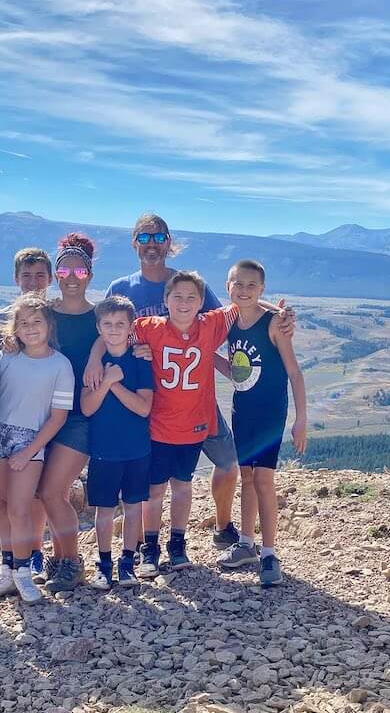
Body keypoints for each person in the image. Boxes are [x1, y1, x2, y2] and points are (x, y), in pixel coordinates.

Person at [103, 212, 293, 551]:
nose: (152, 245)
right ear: (134, 242)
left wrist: (278, 315)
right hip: (148, 399)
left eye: (159, 238)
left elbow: (236, 306)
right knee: (153, 480)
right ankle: (146, 545)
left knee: (226, 463)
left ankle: (222, 526)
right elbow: (108, 332)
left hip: (197, 400)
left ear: (169, 243)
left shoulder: (186, 284)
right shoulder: (121, 288)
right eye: (144, 238)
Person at [0, 294, 74, 605]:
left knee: (19, 509)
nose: (30, 328)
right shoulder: (5, 359)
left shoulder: (60, 365)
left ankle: (22, 573)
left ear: (49, 325)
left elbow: (58, 417)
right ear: (15, 328)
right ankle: (6, 573)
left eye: (36, 322)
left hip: (30, 443)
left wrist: (29, 451)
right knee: (2, 505)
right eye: (24, 323)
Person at [215, 260, 308, 586]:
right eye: (237, 284)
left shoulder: (273, 325)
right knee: (247, 477)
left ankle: (269, 553)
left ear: (262, 289)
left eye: (251, 285)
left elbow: (294, 372)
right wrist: (204, 354)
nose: (243, 290)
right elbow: (236, 370)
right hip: (243, 409)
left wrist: (301, 420)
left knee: (264, 481)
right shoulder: (227, 322)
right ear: (228, 287)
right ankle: (246, 544)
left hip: (270, 412)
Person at [0, 247, 52, 585]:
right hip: (4, 420)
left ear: (50, 278)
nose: (33, 282)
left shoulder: (54, 317)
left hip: (44, 417)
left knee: (38, 489)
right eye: (26, 275)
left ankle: (32, 551)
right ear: (16, 279)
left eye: (39, 275)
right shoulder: (0, 322)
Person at [39, 234, 101, 595]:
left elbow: (121, 340)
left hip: (79, 418)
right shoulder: (45, 315)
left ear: (89, 274)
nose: (72, 275)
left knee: (51, 491)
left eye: (80, 268)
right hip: (43, 415)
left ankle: (73, 562)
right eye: (65, 268)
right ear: (56, 275)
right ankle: (60, 560)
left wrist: (96, 354)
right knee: (49, 493)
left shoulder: (99, 317)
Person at [80, 295, 153, 590]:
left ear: (130, 326)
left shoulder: (140, 360)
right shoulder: (95, 366)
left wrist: (115, 383)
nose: (113, 329)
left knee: (134, 508)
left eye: (119, 324)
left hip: (137, 449)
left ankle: (127, 563)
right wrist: (107, 380)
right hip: (103, 450)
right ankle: (104, 563)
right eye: (107, 324)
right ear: (98, 327)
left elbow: (144, 407)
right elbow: (87, 408)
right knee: (105, 511)